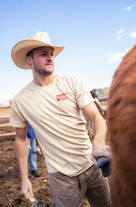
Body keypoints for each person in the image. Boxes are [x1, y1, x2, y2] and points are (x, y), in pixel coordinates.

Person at [10, 31, 111, 207]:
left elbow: (96, 117)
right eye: (43, 54)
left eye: (51, 54)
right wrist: (24, 179)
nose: (50, 58)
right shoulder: (21, 100)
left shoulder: (71, 82)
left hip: (93, 165)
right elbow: (20, 138)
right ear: (30, 60)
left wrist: (99, 144)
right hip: (61, 178)